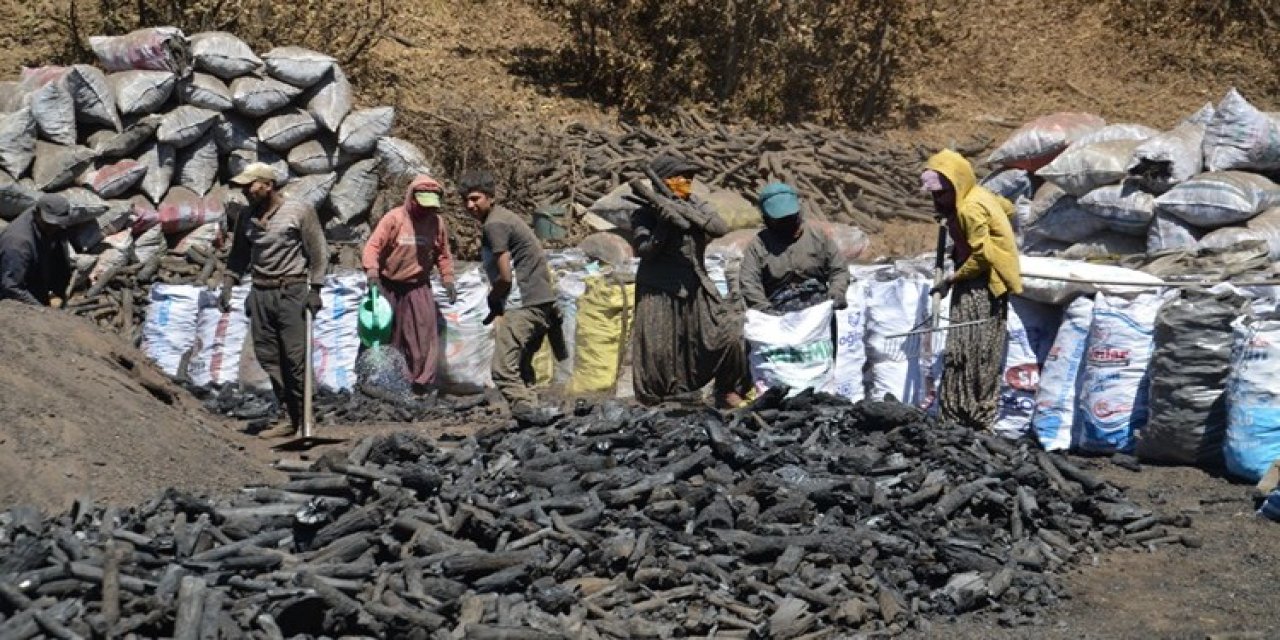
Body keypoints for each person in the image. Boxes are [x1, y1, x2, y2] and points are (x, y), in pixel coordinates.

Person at [628, 153, 751, 407]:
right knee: (661, 351)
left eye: (689, 177)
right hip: (658, 289)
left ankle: (727, 388)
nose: (685, 181)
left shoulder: (697, 204)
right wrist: (663, 224)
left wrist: (683, 210)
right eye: (679, 177)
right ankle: (664, 399)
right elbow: (644, 250)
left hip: (696, 284)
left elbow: (719, 228)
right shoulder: (644, 213)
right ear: (663, 180)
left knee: (727, 335)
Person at [220, 163, 329, 438]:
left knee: (294, 359)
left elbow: (318, 252)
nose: (245, 191)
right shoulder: (246, 216)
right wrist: (229, 284)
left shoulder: (299, 211)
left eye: (251, 185)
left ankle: (305, 419)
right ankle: (290, 415)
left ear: (268, 185)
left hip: (291, 290)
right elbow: (239, 256)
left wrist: (315, 289)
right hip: (260, 292)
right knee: (268, 356)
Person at [921, 149, 1022, 430]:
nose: (937, 200)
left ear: (958, 185)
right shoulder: (978, 195)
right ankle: (967, 414)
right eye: (935, 195)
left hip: (980, 286)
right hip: (977, 279)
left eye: (942, 193)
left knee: (970, 350)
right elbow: (1008, 208)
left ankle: (966, 415)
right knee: (975, 349)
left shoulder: (968, 208)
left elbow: (982, 256)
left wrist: (950, 279)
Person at [460, 170, 559, 418]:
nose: (470, 205)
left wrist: (494, 298)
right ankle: (537, 416)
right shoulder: (504, 218)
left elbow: (505, 277)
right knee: (522, 365)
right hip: (540, 299)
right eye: (466, 200)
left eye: (475, 198)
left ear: (491, 198)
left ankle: (527, 412)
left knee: (503, 369)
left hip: (525, 303)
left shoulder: (495, 224)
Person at [362, 175, 457, 395]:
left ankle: (420, 383)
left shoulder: (436, 223)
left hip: (417, 286)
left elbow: (443, 254)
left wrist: (448, 278)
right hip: (389, 285)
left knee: (422, 336)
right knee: (386, 334)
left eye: (430, 206)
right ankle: (386, 382)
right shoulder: (394, 219)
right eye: (421, 204)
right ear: (411, 198)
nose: (425, 210)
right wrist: (373, 273)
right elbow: (373, 247)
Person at [738, 181, 849, 313]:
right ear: (766, 219)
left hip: (818, 307)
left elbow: (839, 269)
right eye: (780, 220)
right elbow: (749, 283)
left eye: (791, 218)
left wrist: (837, 292)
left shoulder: (818, 237)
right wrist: (766, 311)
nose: (787, 223)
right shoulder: (758, 246)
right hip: (779, 311)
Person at [0, 194, 73, 307]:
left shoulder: (54, 227)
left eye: (57, 224)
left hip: (37, 279)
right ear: (36, 213)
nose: (53, 228)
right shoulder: (18, 243)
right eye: (49, 224)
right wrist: (41, 311)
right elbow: (11, 287)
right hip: (13, 293)